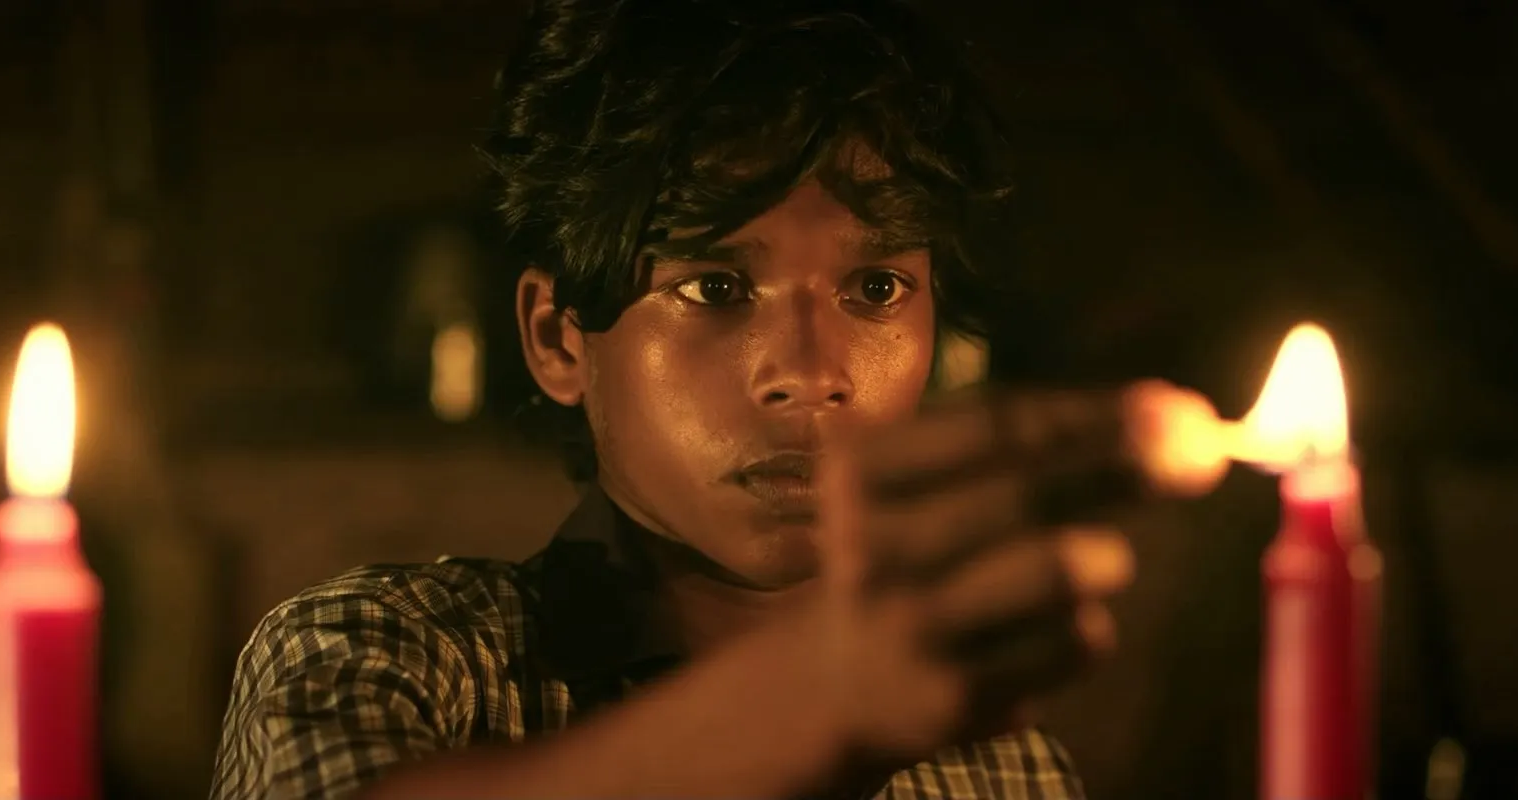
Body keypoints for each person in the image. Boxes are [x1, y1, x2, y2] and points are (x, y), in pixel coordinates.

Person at [211, 1, 1229, 798]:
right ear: (560, 337)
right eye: (715, 287)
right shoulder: (390, 659)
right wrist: (814, 702)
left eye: (877, 288)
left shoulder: (1000, 768)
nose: (811, 370)